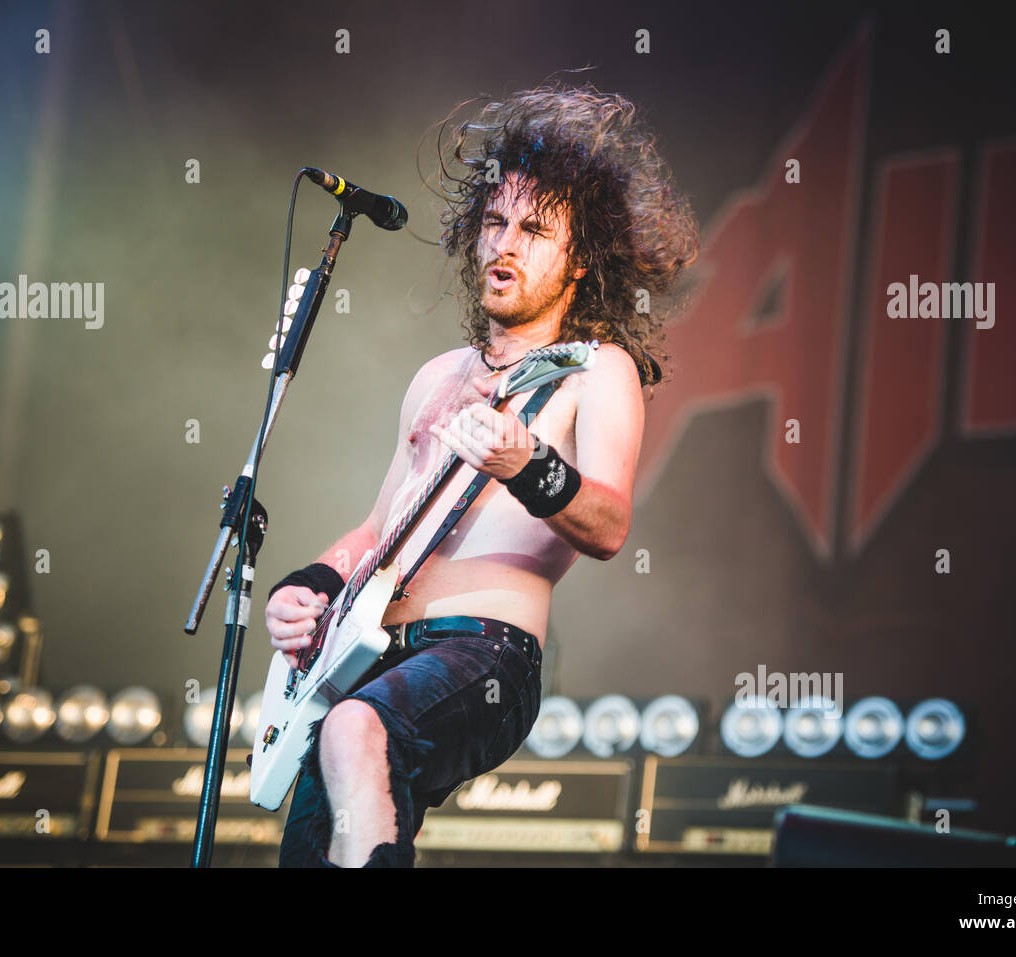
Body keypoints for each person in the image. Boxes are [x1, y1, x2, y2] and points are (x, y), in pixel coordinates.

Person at [266, 81, 699, 867]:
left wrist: (525, 461)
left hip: (486, 653)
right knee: (315, 839)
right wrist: (310, 587)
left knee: (356, 729)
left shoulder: (595, 370)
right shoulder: (436, 376)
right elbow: (377, 529)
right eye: (495, 222)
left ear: (579, 261)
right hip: (371, 652)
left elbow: (608, 523)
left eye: (535, 229)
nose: (506, 243)